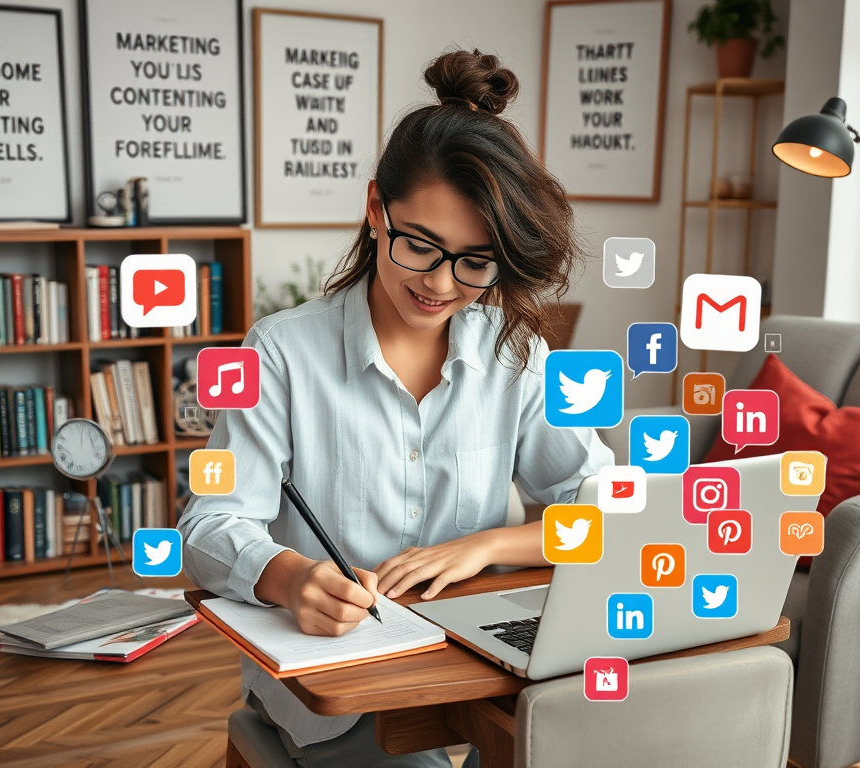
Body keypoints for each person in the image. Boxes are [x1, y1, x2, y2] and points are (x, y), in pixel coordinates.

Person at [179, 48, 614, 768]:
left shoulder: (517, 354)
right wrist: (289, 578)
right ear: (377, 210)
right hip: (336, 683)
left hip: (474, 661)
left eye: (477, 261)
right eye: (421, 246)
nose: (442, 284)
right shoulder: (280, 354)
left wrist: (484, 546)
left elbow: (602, 511)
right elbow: (210, 524)